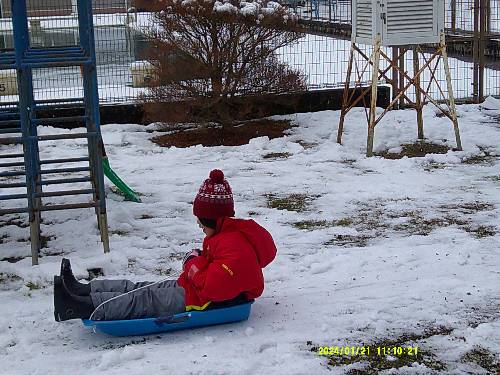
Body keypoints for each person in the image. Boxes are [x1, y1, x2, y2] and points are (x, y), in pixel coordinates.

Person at [54, 169, 277, 321]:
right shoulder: (225, 235)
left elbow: (212, 287)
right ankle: (83, 291)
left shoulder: (234, 246)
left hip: (201, 301)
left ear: (213, 219)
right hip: (193, 290)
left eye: (200, 222)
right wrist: (199, 259)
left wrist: (192, 263)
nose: (199, 226)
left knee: (143, 300)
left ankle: (82, 306)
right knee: (141, 287)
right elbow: (215, 268)